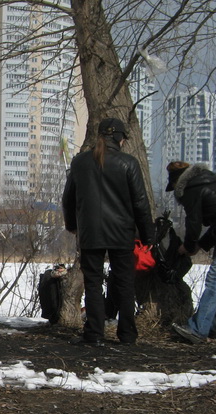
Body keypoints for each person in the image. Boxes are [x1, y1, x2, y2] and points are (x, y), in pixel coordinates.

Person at [62, 117, 154, 345]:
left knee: (93, 283)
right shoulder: (128, 163)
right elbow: (140, 203)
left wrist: (73, 225)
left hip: (90, 232)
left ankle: (94, 334)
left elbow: (68, 198)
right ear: (121, 139)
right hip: (122, 232)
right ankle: (128, 335)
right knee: (124, 283)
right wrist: (148, 235)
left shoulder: (80, 162)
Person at [166, 161, 216, 343]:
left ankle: (197, 330)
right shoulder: (214, 185)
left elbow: (193, 224)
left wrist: (189, 246)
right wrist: (199, 245)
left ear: (177, 182)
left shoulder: (191, 190)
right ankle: (215, 328)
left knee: (215, 281)